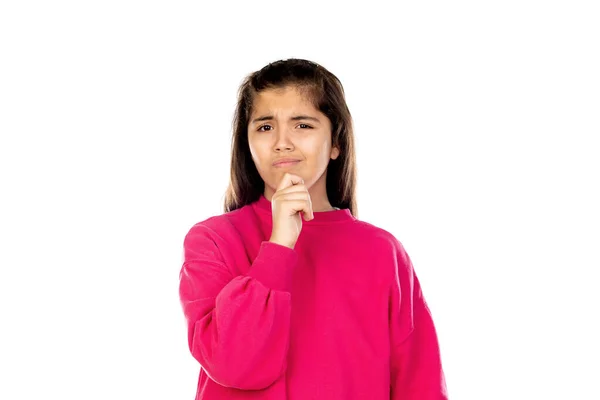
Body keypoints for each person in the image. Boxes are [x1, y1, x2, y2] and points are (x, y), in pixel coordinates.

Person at [178, 58, 448, 399]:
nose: (282, 142)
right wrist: (278, 246)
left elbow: (419, 385)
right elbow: (234, 364)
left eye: (302, 125)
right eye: (264, 127)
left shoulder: (382, 251)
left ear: (335, 143)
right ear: (247, 144)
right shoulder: (212, 241)